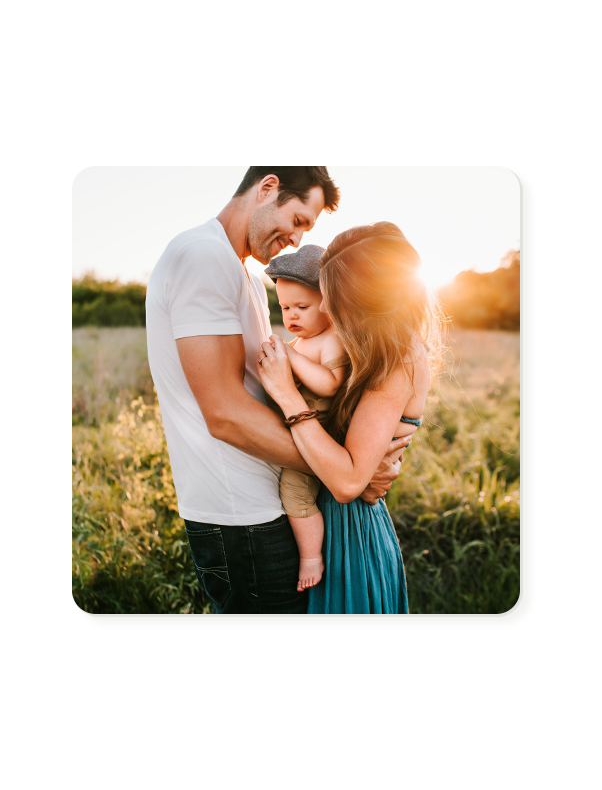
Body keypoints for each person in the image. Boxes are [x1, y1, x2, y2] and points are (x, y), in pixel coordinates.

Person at [145, 168, 411, 614]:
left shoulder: (244, 275)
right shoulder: (202, 256)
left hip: (269, 505)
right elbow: (225, 413)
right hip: (243, 516)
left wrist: (352, 464)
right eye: (299, 219)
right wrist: (347, 472)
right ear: (267, 188)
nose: (297, 237)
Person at [257, 222, 444, 614]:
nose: (324, 307)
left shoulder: (400, 360)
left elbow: (347, 482)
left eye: (334, 296)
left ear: (369, 300)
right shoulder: (371, 350)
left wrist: (288, 396)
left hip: (351, 532)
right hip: (330, 518)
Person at [263, 245, 349, 592]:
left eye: (302, 307)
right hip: (296, 432)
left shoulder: (332, 339)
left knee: (294, 494)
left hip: (318, 440)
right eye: (285, 308)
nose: (292, 316)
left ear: (328, 304)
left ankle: (311, 556)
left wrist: (290, 357)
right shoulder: (301, 341)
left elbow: (330, 385)